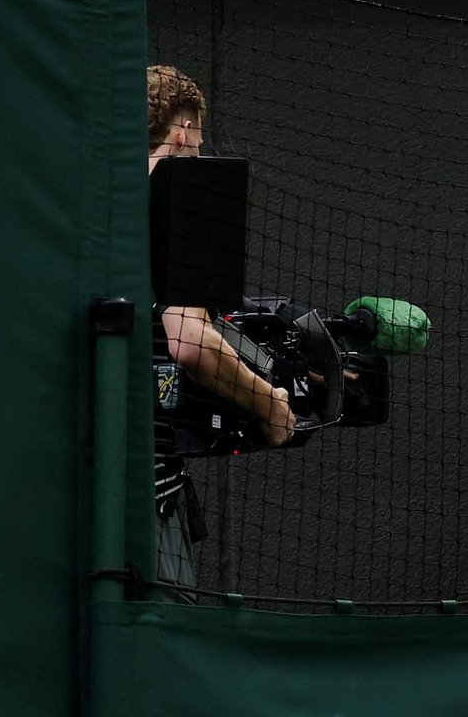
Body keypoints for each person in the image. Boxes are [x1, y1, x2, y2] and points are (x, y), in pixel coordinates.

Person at [146, 65, 294, 598]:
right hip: (146, 486)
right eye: (199, 132)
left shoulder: (94, 200)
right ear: (183, 128)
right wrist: (270, 403)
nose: (200, 144)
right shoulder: (192, 195)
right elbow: (189, 341)